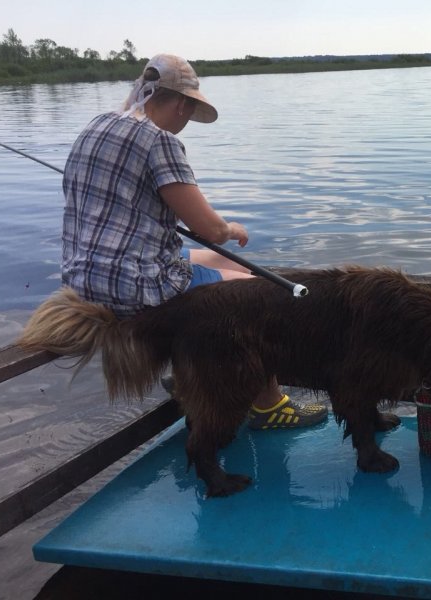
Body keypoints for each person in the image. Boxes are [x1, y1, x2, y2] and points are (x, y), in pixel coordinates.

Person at [61, 53, 326, 429]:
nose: (186, 122)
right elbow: (210, 230)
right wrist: (232, 229)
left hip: (82, 280)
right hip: (135, 285)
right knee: (258, 295)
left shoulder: (97, 125)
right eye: (188, 111)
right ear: (182, 103)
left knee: (228, 265)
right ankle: (269, 406)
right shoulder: (159, 141)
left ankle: (193, 372)